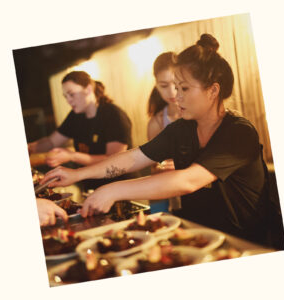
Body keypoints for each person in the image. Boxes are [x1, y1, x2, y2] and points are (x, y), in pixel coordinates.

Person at [40, 34, 271, 246]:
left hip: (247, 240)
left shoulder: (238, 132)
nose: (176, 96)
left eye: (185, 88)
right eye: (175, 87)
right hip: (199, 235)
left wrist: (113, 190)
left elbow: (187, 181)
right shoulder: (182, 129)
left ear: (213, 91)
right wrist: (78, 174)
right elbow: (133, 158)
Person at [28, 71, 133, 191]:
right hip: (91, 188)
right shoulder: (75, 116)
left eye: (71, 94)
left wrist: (72, 156)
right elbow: (51, 142)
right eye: (65, 97)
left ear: (88, 89)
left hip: (120, 188)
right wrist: (30, 148)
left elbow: (113, 159)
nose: (68, 100)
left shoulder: (113, 114)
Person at [147, 52, 181, 213]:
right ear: (156, 84)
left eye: (176, 84)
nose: (172, 92)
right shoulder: (157, 122)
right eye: (164, 86)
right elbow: (154, 168)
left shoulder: (199, 113)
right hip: (173, 197)